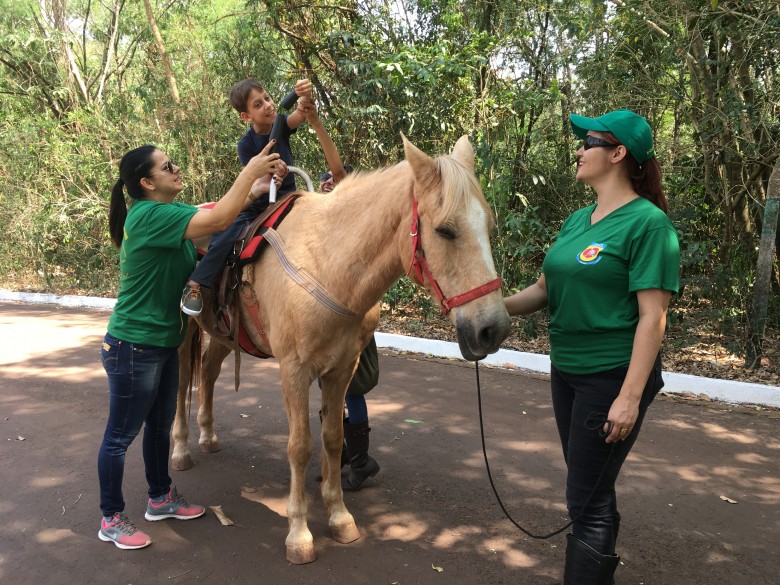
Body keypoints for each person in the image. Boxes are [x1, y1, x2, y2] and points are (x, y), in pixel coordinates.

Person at [503, 109, 679, 584]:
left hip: (612, 376)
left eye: (589, 142)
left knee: (586, 498)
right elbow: (543, 290)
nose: (578, 150)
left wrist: (628, 397)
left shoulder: (649, 225)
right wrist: (490, 310)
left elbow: (652, 318)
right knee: (592, 490)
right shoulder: (579, 219)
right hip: (568, 371)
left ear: (619, 153)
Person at [99, 141, 281, 550]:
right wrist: (251, 170)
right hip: (132, 345)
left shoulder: (172, 218)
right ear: (147, 182)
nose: (177, 168)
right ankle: (111, 518)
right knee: (118, 438)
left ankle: (160, 498)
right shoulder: (148, 215)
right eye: (168, 166)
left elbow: (215, 220)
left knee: (161, 426)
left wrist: (255, 191)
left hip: (163, 343)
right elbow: (218, 220)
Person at [180, 78, 313, 315]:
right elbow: (257, 178)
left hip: (292, 201)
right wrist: (273, 170)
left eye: (268, 98)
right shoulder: (245, 145)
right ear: (246, 116)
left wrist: (303, 95)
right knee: (228, 231)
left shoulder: (281, 124)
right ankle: (196, 284)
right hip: (260, 205)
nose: (268, 105)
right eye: (258, 104)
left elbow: (301, 114)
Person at [305, 105, 380, 491]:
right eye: (324, 187)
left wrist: (314, 121)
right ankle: (345, 456)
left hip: (352, 321)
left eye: (334, 185)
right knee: (333, 390)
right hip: (333, 319)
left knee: (351, 387)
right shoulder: (325, 233)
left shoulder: (358, 229)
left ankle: (361, 459)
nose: (328, 190)